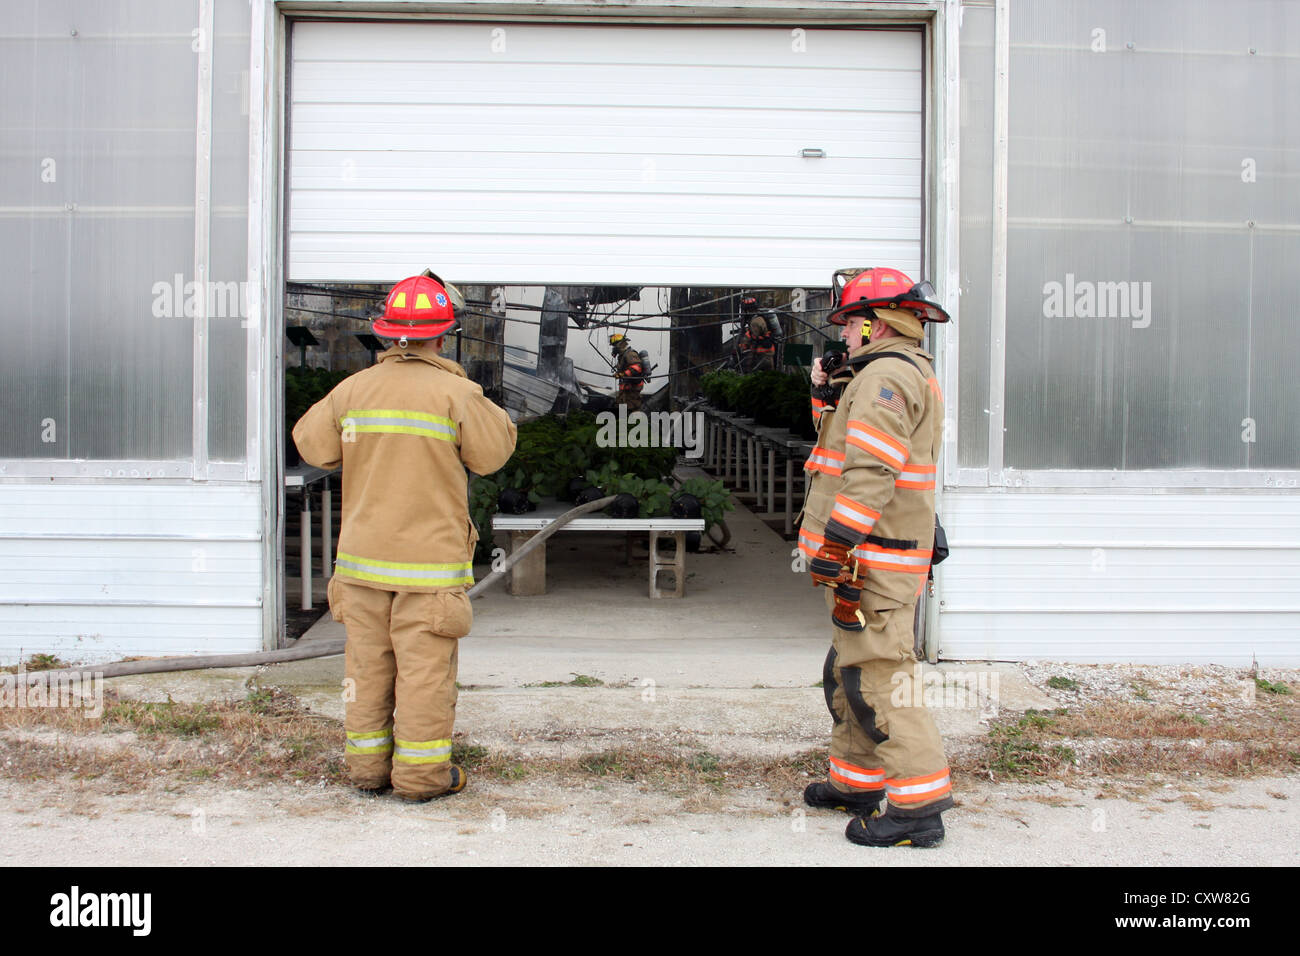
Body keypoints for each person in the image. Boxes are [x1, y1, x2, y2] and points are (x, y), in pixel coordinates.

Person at [292, 273, 517, 801]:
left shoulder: (354, 390)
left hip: (362, 566)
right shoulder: (456, 393)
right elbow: (493, 454)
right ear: (444, 334)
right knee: (424, 676)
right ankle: (420, 778)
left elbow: (311, 445)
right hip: (428, 571)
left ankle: (366, 771)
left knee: (366, 669)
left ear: (391, 334)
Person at [797, 266, 953, 847]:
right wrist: (823, 393)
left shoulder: (886, 377)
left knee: (879, 677)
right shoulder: (885, 374)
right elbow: (840, 447)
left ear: (874, 323)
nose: (841, 335)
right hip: (875, 556)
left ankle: (918, 809)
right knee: (848, 671)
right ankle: (855, 783)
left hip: (874, 557)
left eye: (848, 323)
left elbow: (870, 471)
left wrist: (835, 545)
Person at [609, 332, 646, 411]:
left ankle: (634, 422)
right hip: (626, 388)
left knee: (631, 407)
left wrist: (623, 374)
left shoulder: (630, 354)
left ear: (621, 344)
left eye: (615, 345)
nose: (614, 348)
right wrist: (619, 374)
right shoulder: (622, 355)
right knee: (621, 406)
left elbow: (637, 368)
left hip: (632, 388)